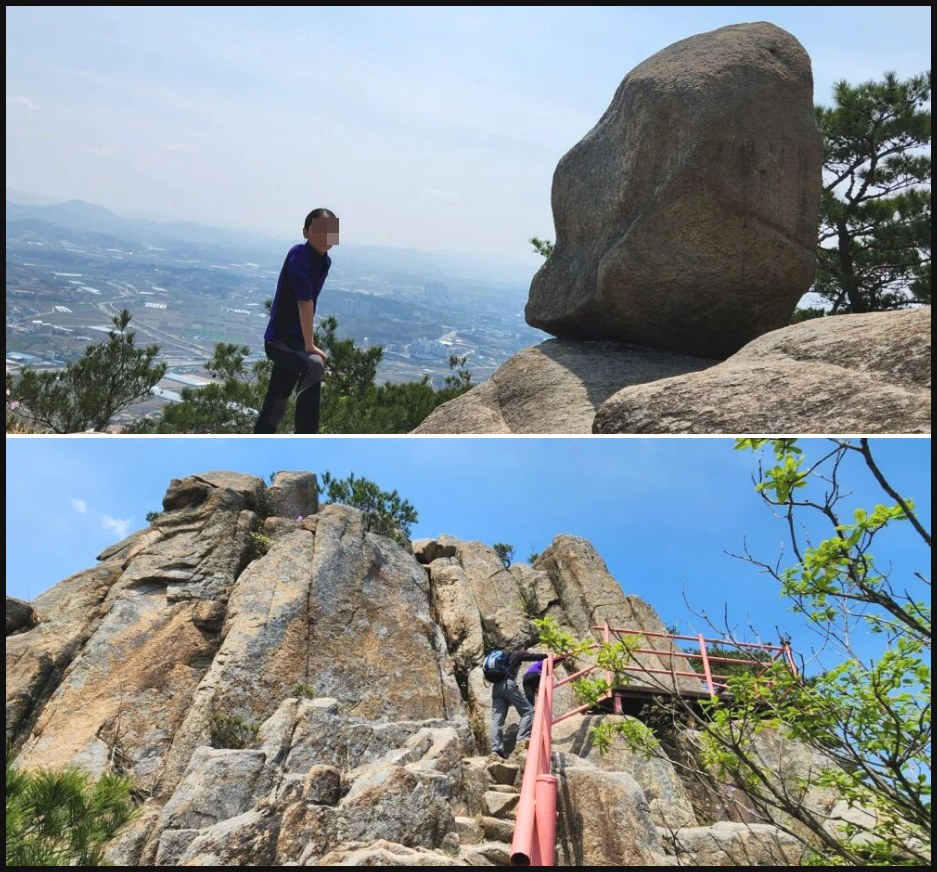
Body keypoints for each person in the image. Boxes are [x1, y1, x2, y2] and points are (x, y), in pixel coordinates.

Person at [253, 208, 339, 434]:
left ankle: (261, 437)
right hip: (280, 341)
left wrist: (306, 342)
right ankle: (307, 435)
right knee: (314, 366)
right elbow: (305, 301)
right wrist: (309, 345)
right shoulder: (299, 254)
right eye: (319, 230)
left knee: (276, 403)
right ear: (306, 231)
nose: (325, 236)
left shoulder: (324, 261)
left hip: (295, 342)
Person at [490, 649, 547, 759]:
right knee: (528, 711)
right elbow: (533, 656)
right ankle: (521, 741)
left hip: (496, 688)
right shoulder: (516, 653)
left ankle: (496, 750)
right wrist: (546, 656)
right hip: (508, 684)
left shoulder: (503, 659)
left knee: (497, 720)